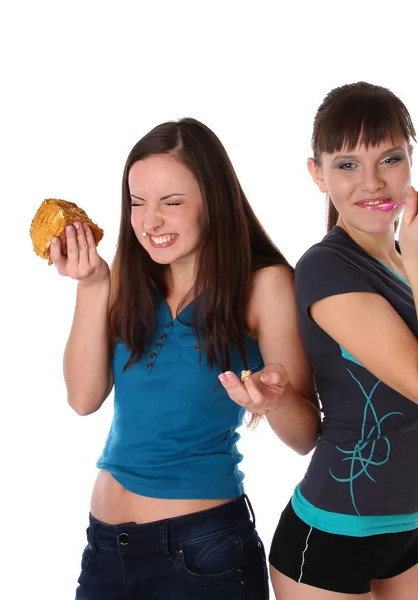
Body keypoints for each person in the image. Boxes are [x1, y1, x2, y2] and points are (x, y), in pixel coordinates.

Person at [51, 117, 320, 599]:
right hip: (105, 552)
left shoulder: (266, 285)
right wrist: (92, 285)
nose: (150, 222)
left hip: (203, 556)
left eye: (172, 203)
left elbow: (304, 437)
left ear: (212, 201)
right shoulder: (129, 284)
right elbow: (82, 398)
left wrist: (271, 400)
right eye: (138, 204)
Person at [269, 82, 418, 599]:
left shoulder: (417, 261)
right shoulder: (325, 268)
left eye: (389, 159)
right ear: (317, 173)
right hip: (327, 540)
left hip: (406, 533)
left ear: (411, 160)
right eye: (346, 165)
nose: (371, 182)